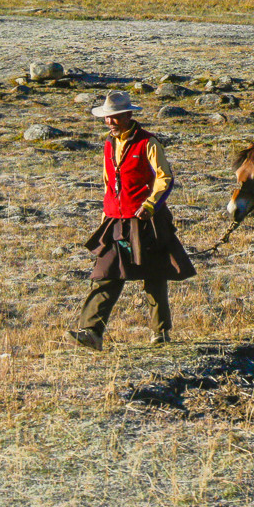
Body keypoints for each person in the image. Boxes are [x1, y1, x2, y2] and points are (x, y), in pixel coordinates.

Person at [66, 91, 196, 350]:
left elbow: (164, 177)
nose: (110, 122)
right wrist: (106, 214)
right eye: (107, 118)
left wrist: (150, 204)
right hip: (115, 220)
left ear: (128, 115)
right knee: (106, 274)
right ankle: (92, 332)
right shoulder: (108, 144)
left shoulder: (149, 143)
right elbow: (108, 182)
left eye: (114, 118)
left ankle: (160, 334)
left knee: (154, 274)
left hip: (146, 219)